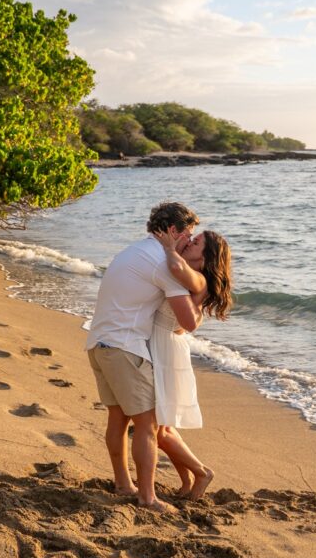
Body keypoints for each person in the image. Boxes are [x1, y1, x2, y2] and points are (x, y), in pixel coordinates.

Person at [85, 202, 202, 514]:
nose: (189, 241)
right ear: (173, 230)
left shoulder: (133, 251)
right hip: (124, 348)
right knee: (147, 426)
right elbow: (188, 323)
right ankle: (147, 498)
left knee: (118, 419)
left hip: (98, 343)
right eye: (188, 234)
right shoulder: (163, 263)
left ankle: (124, 483)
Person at [150, 227, 233, 500]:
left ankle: (201, 472)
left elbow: (173, 265)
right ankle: (186, 483)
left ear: (206, 257)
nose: (190, 242)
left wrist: (169, 246)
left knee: (159, 431)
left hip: (165, 349)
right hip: (166, 346)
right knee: (165, 427)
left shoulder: (194, 276)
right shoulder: (190, 274)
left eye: (196, 242)